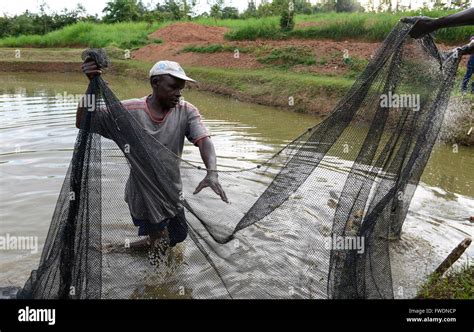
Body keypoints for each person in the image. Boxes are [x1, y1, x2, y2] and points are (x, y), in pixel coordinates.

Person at [77, 60, 228, 254]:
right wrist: (93, 87)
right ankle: (157, 282)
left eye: (181, 89)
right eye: (173, 87)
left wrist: (212, 173)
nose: (179, 93)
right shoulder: (128, 112)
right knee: (160, 244)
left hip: (172, 191)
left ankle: (119, 248)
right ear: (155, 83)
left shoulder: (186, 110)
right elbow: (83, 121)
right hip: (143, 194)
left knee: (178, 235)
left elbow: (204, 140)